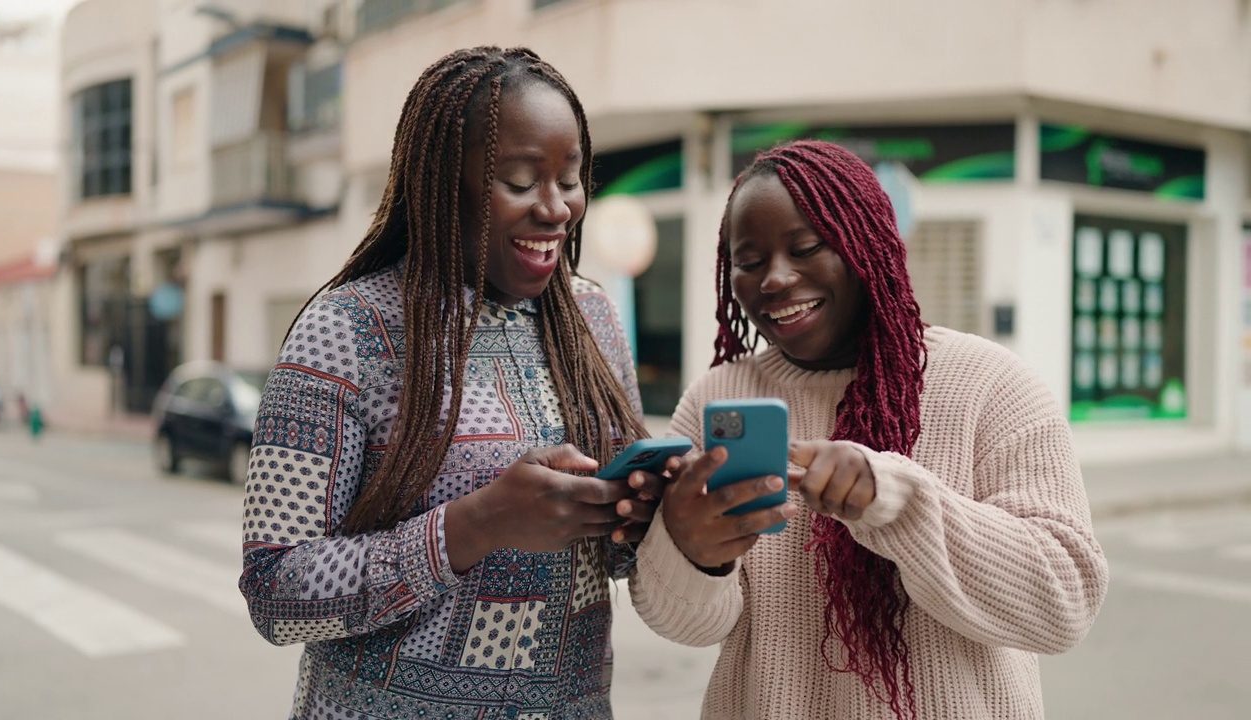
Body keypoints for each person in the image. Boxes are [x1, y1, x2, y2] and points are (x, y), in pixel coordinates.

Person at [240, 46, 662, 720]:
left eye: (571, 178)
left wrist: (645, 520)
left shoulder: (593, 321)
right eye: (522, 182)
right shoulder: (344, 331)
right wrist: (479, 523)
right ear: (440, 183)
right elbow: (275, 592)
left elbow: (611, 565)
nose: (557, 209)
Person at [629, 140, 1109, 719]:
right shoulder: (717, 399)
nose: (776, 279)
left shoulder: (992, 383)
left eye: (806, 248)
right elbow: (682, 624)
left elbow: (1064, 605)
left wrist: (898, 504)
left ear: (868, 247)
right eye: (749, 262)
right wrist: (696, 553)